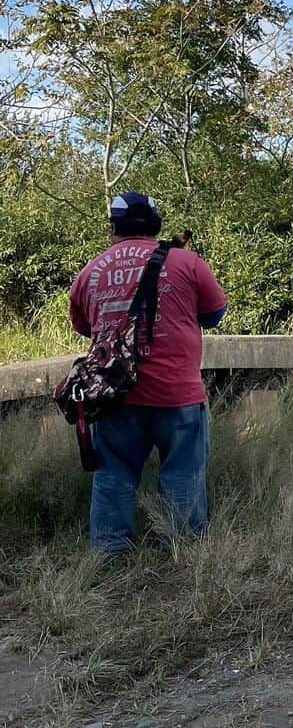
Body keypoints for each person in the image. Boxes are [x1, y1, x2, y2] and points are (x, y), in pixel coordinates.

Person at [69, 192, 227, 552]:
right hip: (177, 394)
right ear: (156, 222)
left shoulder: (90, 272)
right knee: (183, 475)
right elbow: (215, 313)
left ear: (114, 226)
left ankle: (109, 559)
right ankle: (182, 553)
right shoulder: (187, 262)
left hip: (114, 395)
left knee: (113, 474)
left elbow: (84, 326)